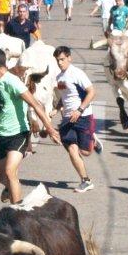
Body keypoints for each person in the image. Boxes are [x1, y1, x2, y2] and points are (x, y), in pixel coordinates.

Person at [0, 47, 59, 206]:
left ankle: (17, 212)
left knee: (10, 172)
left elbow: (36, 105)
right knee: (0, 177)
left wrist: (50, 129)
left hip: (18, 134)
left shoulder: (13, 81)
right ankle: (9, 189)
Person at [52, 47, 97, 193]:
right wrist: (56, 108)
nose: (60, 63)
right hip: (67, 119)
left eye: (62, 59)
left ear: (69, 58)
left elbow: (91, 92)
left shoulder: (77, 73)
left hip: (83, 116)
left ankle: (93, 140)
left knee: (85, 152)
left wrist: (80, 110)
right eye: (57, 60)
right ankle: (86, 180)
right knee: (72, 149)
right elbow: (63, 97)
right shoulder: (59, 77)